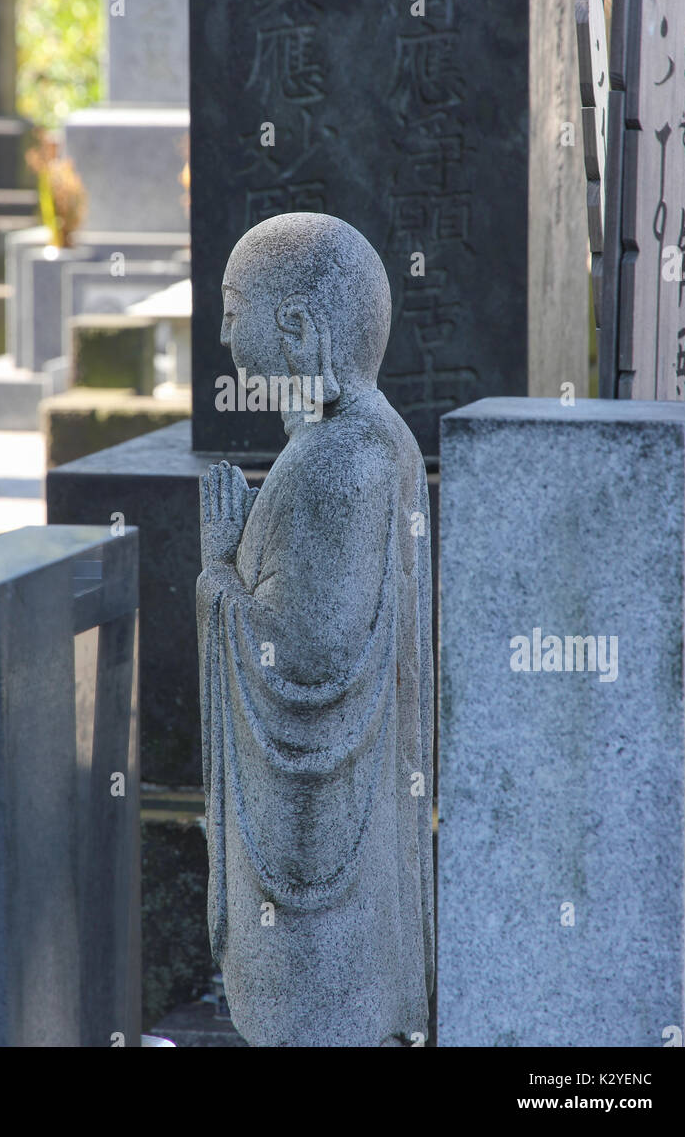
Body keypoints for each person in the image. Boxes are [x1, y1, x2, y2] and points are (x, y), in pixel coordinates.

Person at [197, 212, 434, 1047]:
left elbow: (303, 665)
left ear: (296, 326)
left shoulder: (335, 462)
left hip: (318, 876)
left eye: (234, 311)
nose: (224, 337)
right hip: (356, 873)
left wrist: (217, 576)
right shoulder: (365, 441)